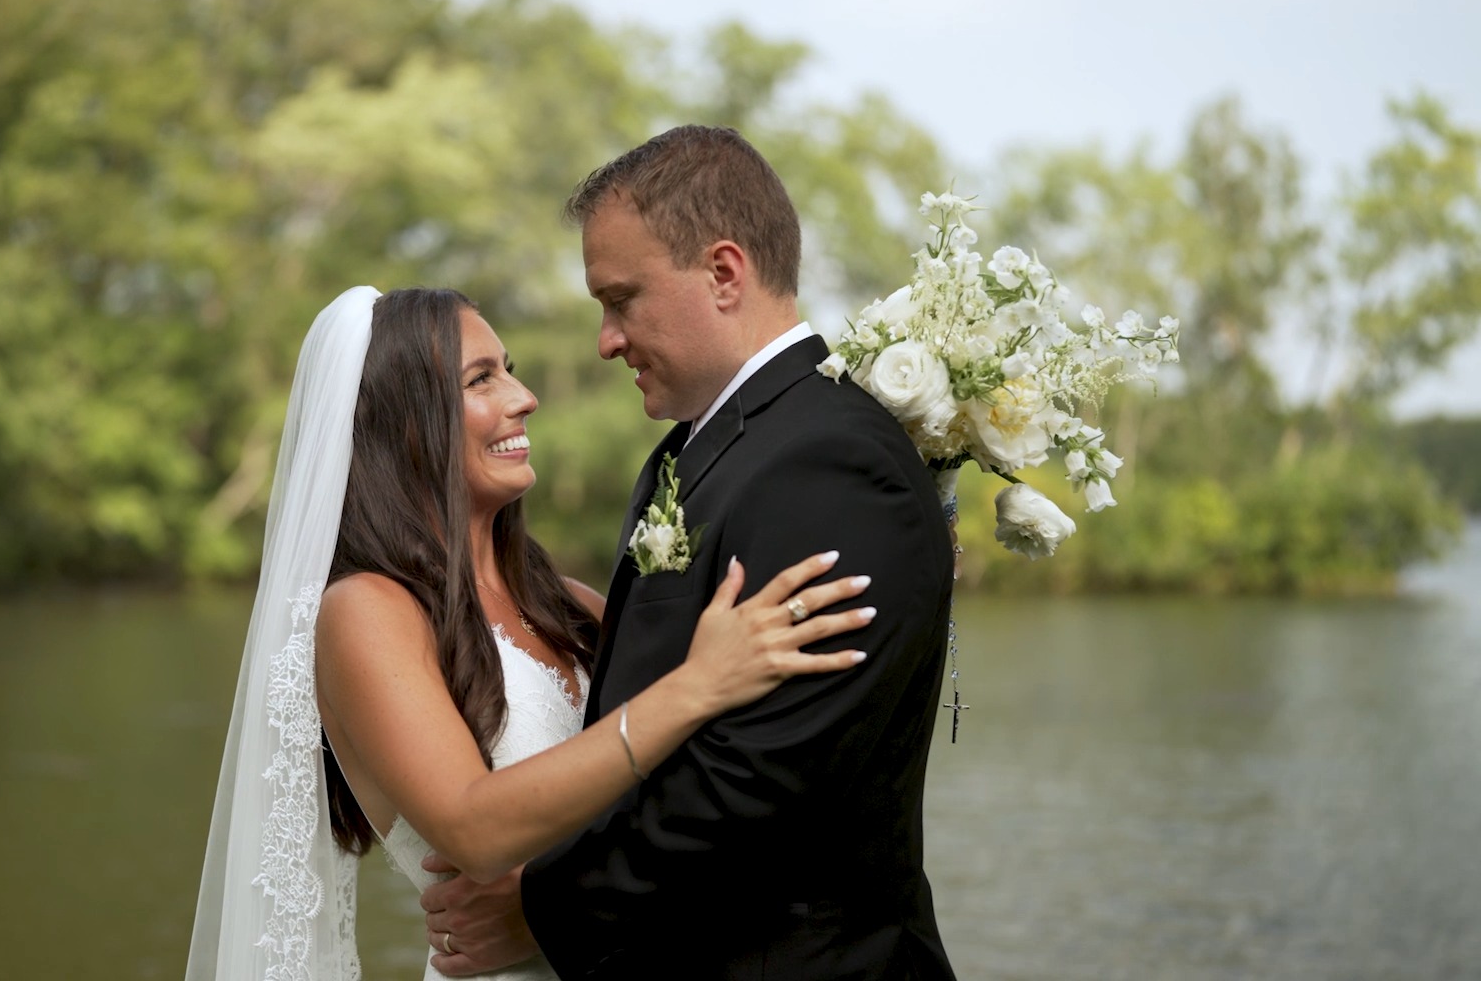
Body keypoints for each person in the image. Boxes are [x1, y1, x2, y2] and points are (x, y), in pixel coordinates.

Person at [185, 285, 876, 980]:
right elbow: (472, 826)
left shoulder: (568, 605)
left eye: (508, 368)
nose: (524, 397)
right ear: (404, 422)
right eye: (481, 379)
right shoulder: (367, 610)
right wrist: (696, 686)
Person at [420, 126, 960, 980]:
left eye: (621, 299)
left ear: (723, 273)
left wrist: (543, 908)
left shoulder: (831, 462)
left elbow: (761, 774)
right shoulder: (704, 448)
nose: (606, 339)